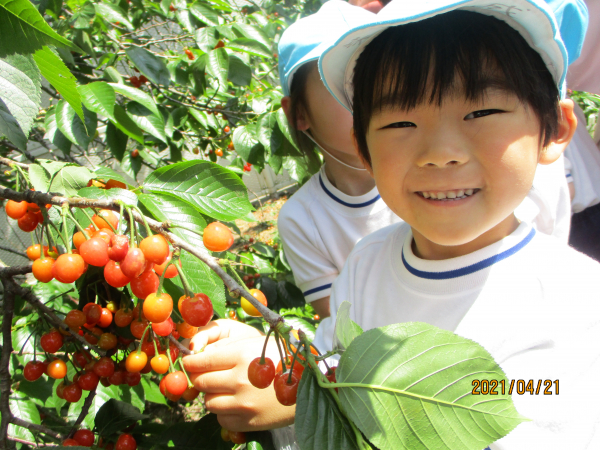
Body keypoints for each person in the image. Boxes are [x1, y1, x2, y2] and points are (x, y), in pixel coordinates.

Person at [315, 0, 600, 447]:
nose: (440, 151)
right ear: (363, 148)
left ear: (556, 128)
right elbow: (334, 355)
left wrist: (329, 401)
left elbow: (516, 400)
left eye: (482, 113)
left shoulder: (575, 301)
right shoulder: (365, 263)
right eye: (400, 121)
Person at [277, 1, 401, 319]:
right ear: (299, 113)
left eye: (384, 78)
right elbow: (344, 327)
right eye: (344, 84)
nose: (373, 97)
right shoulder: (302, 220)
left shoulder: (437, 171)